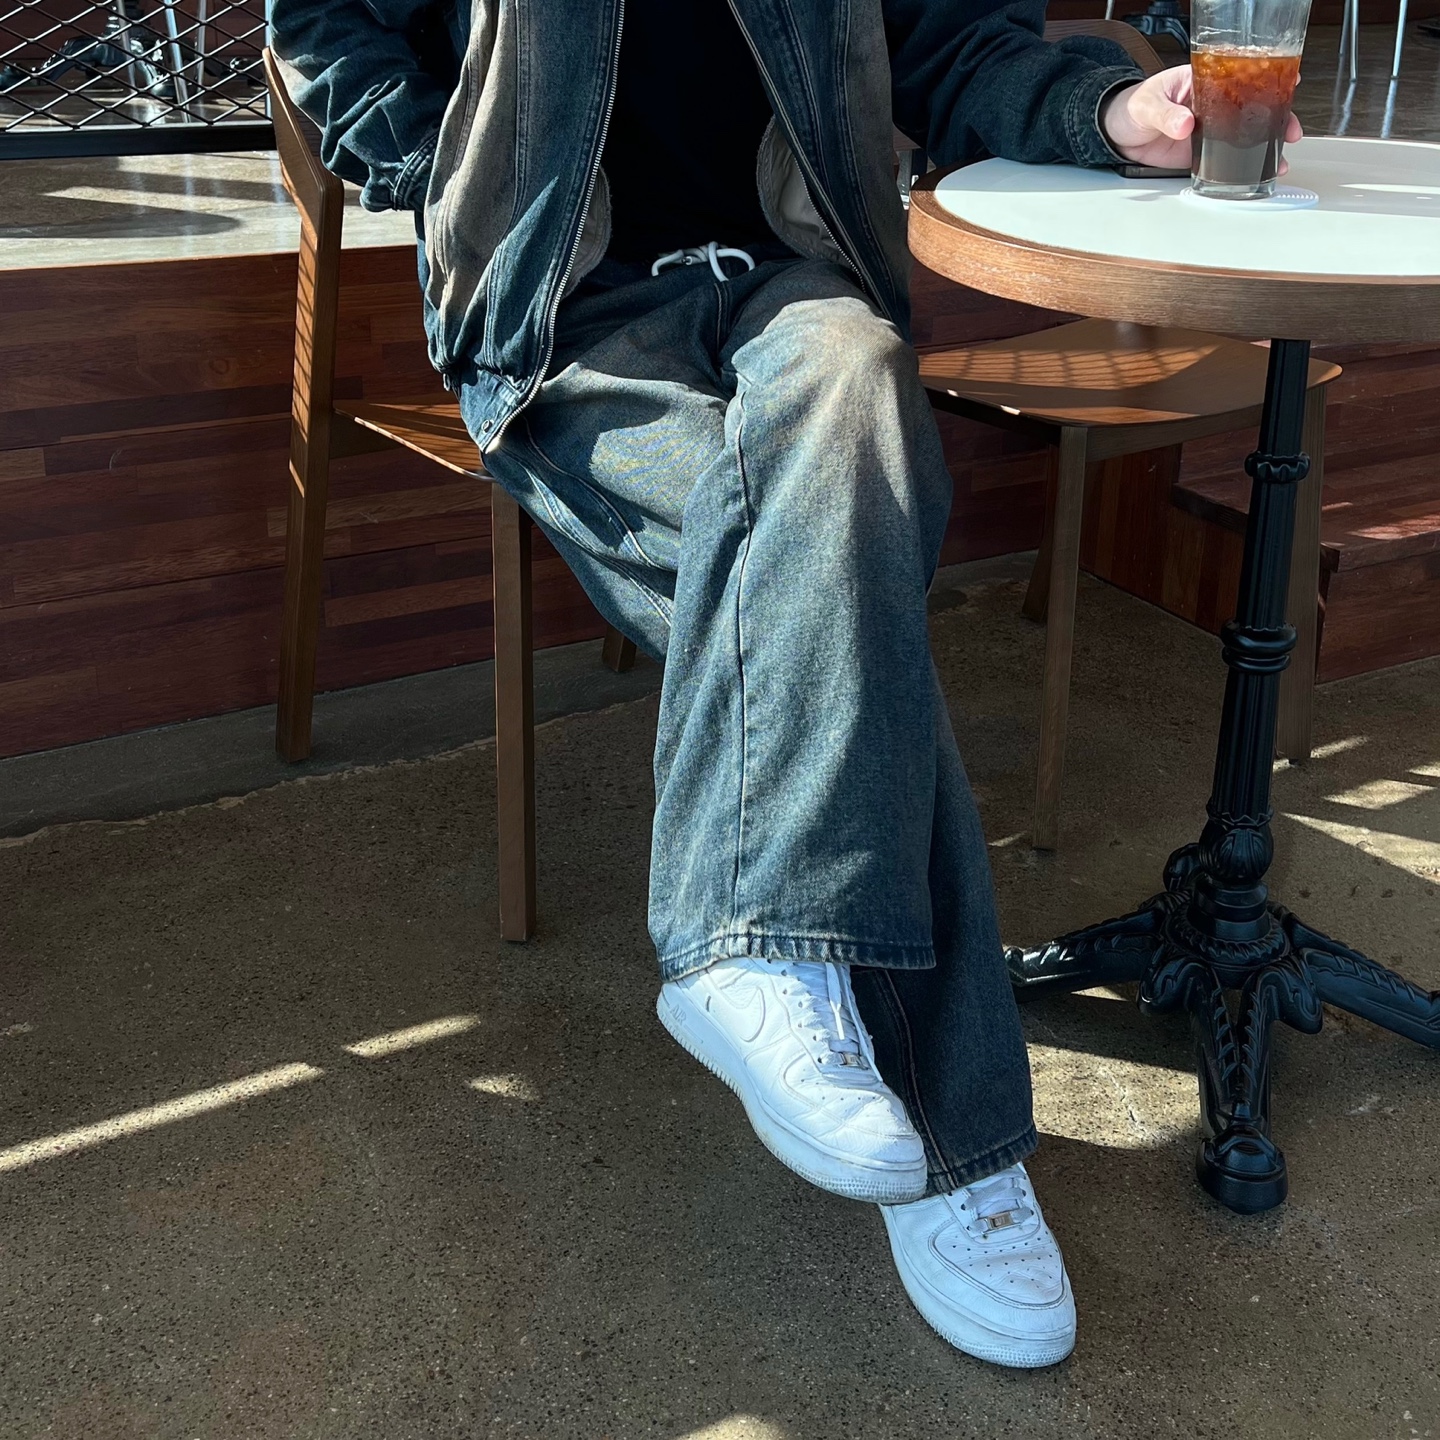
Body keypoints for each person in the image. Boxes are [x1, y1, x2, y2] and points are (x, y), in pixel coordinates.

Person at [267, 0, 1265, 1369]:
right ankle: (956, 1145)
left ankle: (763, 952)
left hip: (799, 280)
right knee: (837, 588)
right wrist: (450, 168)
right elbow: (324, 23)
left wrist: (1105, 110)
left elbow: (952, 42)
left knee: (851, 399)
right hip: (563, 315)